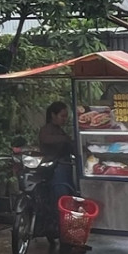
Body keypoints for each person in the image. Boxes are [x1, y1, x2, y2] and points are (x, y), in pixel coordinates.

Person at [38, 101, 81, 245]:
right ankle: (62, 233)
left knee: (68, 198)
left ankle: (65, 233)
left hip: (65, 168)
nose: (65, 119)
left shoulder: (60, 131)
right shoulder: (46, 130)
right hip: (55, 170)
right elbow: (45, 139)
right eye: (62, 116)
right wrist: (65, 140)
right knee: (61, 199)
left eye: (66, 116)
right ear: (53, 115)